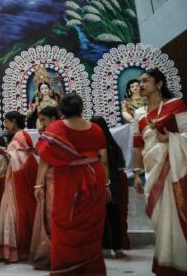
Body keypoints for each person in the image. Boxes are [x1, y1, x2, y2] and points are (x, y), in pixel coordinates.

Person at [36, 93, 109, 275]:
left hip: (69, 179)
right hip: (94, 178)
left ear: (61, 110)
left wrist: (38, 185)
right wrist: (106, 184)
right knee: (92, 224)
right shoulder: (96, 129)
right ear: (81, 108)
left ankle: (65, 269)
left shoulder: (56, 128)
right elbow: (104, 159)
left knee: (65, 221)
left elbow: (44, 159)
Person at [133, 68, 187, 275]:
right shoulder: (138, 114)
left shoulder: (176, 105)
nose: (140, 85)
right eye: (139, 82)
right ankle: (167, 260)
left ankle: (182, 264)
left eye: (145, 81)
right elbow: (138, 146)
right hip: (153, 170)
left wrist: (172, 139)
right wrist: (137, 173)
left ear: (159, 83)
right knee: (160, 219)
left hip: (177, 169)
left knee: (179, 214)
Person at [0, 111, 38, 262]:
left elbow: (19, 159)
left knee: (13, 210)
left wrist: (3, 152)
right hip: (20, 178)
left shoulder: (19, 137)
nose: (5, 125)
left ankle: (15, 250)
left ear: (13, 121)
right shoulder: (22, 135)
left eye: (6, 122)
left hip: (17, 180)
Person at [91, 116, 129, 259]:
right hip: (115, 185)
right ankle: (118, 248)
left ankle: (105, 248)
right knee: (115, 218)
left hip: (101, 183)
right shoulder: (113, 144)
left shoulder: (95, 145)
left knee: (102, 218)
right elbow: (121, 165)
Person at [29, 106, 60, 270]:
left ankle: (54, 255)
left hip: (54, 181)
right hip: (62, 179)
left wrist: (38, 185)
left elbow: (44, 162)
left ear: (54, 119)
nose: (40, 125)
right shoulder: (64, 133)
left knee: (51, 217)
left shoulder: (49, 136)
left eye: (43, 121)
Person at [26, 64, 62, 129]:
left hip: (54, 121)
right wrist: (29, 112)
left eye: (46, 88)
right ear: (39, 91)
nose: (44, 90)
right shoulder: (37, 100)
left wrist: (59, 85)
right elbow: (31, 110)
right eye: (42, 89)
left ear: (49, 88)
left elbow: (61, 107)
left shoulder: (55, 98)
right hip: (41, 123)